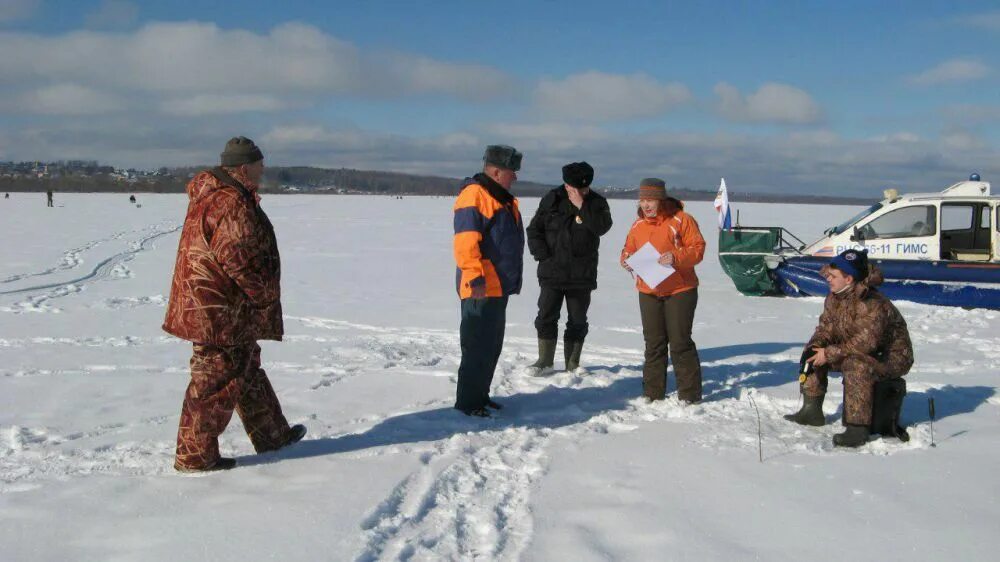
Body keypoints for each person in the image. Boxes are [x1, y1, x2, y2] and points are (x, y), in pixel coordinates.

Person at [163, 136, 305, 472]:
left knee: (246, 369)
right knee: (214, 380)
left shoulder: (219, 195)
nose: (263, 168)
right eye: (259, 163)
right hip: (219, 310)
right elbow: (238, 259)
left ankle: (273, 435)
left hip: (216, 306)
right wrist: (264, 295)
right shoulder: (230, 202)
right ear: (244, 167)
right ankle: (195, 456)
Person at [784, 249, 913, 447]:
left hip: (890, 357)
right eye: (829, 274)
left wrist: (829, 353)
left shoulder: (872, 303)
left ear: (849, 279)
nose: (828, 279)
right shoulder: (834, 297)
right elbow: (826, 329)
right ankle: (811, 411)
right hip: (858, 349)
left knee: (856, 365)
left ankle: (857, 429)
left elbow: (866, 343)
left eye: (833, 276)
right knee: (812, 353)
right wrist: (817, 346)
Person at [452, 144, 525, 417]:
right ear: (496, 172)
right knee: (476, 347)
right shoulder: (475, 196)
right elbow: (465, 242)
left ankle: (480, 395)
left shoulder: (499, 197)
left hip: (497, 287)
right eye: (511, 172)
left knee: (490, 345)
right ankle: (469, 403)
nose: (515, 177)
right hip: (481, 288)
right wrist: (475, 278)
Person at [620, 178, 706, 403]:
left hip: (680, 289)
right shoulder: (638, 225)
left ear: (661, 199)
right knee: (654, 343)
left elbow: (698, 249)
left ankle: (689, 395)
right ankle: (652, 392)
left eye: (650, 200)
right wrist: (626, 260)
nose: (646, 205)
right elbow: (628, 249)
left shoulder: (682, 220)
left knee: (679, 342)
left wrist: (676, 257)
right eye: (642, 200)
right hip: (648, 290)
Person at [526, 161, 612, 374]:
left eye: (582, 188)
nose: (576, 191)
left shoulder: (597, 203)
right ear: (565, 184)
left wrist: (582, 205)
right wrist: (543, 256)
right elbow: (534, 230)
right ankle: (544, 361)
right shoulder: (551, 199)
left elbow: (602, 227)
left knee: (578, 319)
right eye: (572, 188)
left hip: (581, 275)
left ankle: (572, 363)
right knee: (546, 316)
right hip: (552, 272)